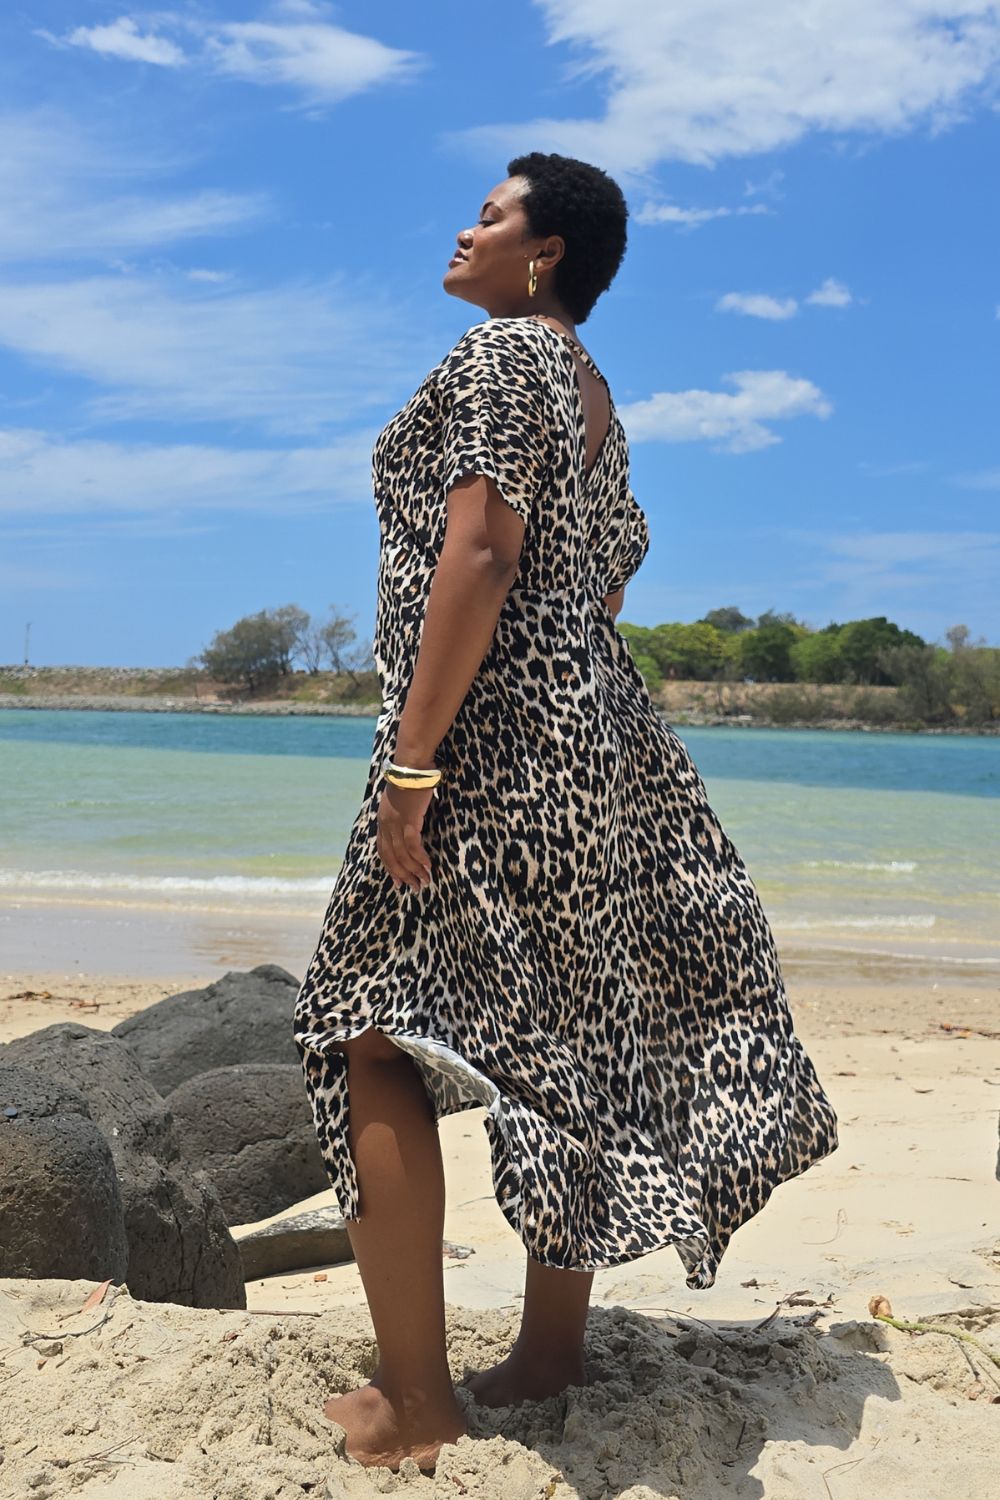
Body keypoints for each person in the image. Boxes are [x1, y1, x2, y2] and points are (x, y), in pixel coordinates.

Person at [293, 151, 839, 1473]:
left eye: (490, 213)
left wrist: (418, 764)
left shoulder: (497, 362)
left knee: (363, 1033)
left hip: (492, 747)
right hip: (601, 743)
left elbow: (478, 553)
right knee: (567, 1038)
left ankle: (418, 1403)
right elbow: (604, 580)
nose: (465, 226)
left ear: (544, 254)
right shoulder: (594, 395)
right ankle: (548, 1357)